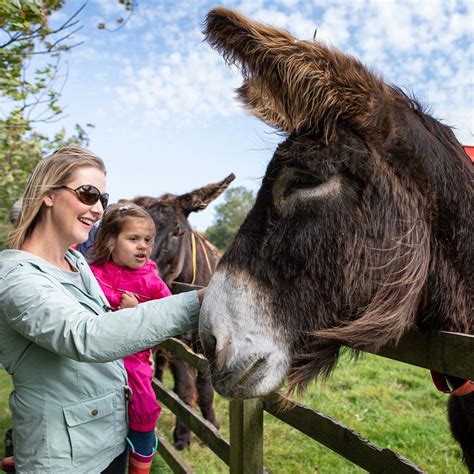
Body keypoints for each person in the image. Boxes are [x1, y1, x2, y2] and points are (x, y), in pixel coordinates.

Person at [0, 146, 204, 474]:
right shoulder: (15, 275)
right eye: (88, 193)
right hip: (67, 460)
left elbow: (106, 323)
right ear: (48, 194)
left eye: (102, 200)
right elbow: (86, 336)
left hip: (110, 439)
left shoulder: (77, 263)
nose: (97, 209)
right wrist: (198, 302)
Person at [89, 203, 171, 474]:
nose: (143, 247)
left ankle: (140, 462)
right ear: (111, 241)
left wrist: (138, 313)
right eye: (133, 239)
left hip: (133, 360)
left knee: (144, 408)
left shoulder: (151, 281)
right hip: (94, 358)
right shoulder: (92, 273)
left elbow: (168, 315)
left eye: (148, 240)